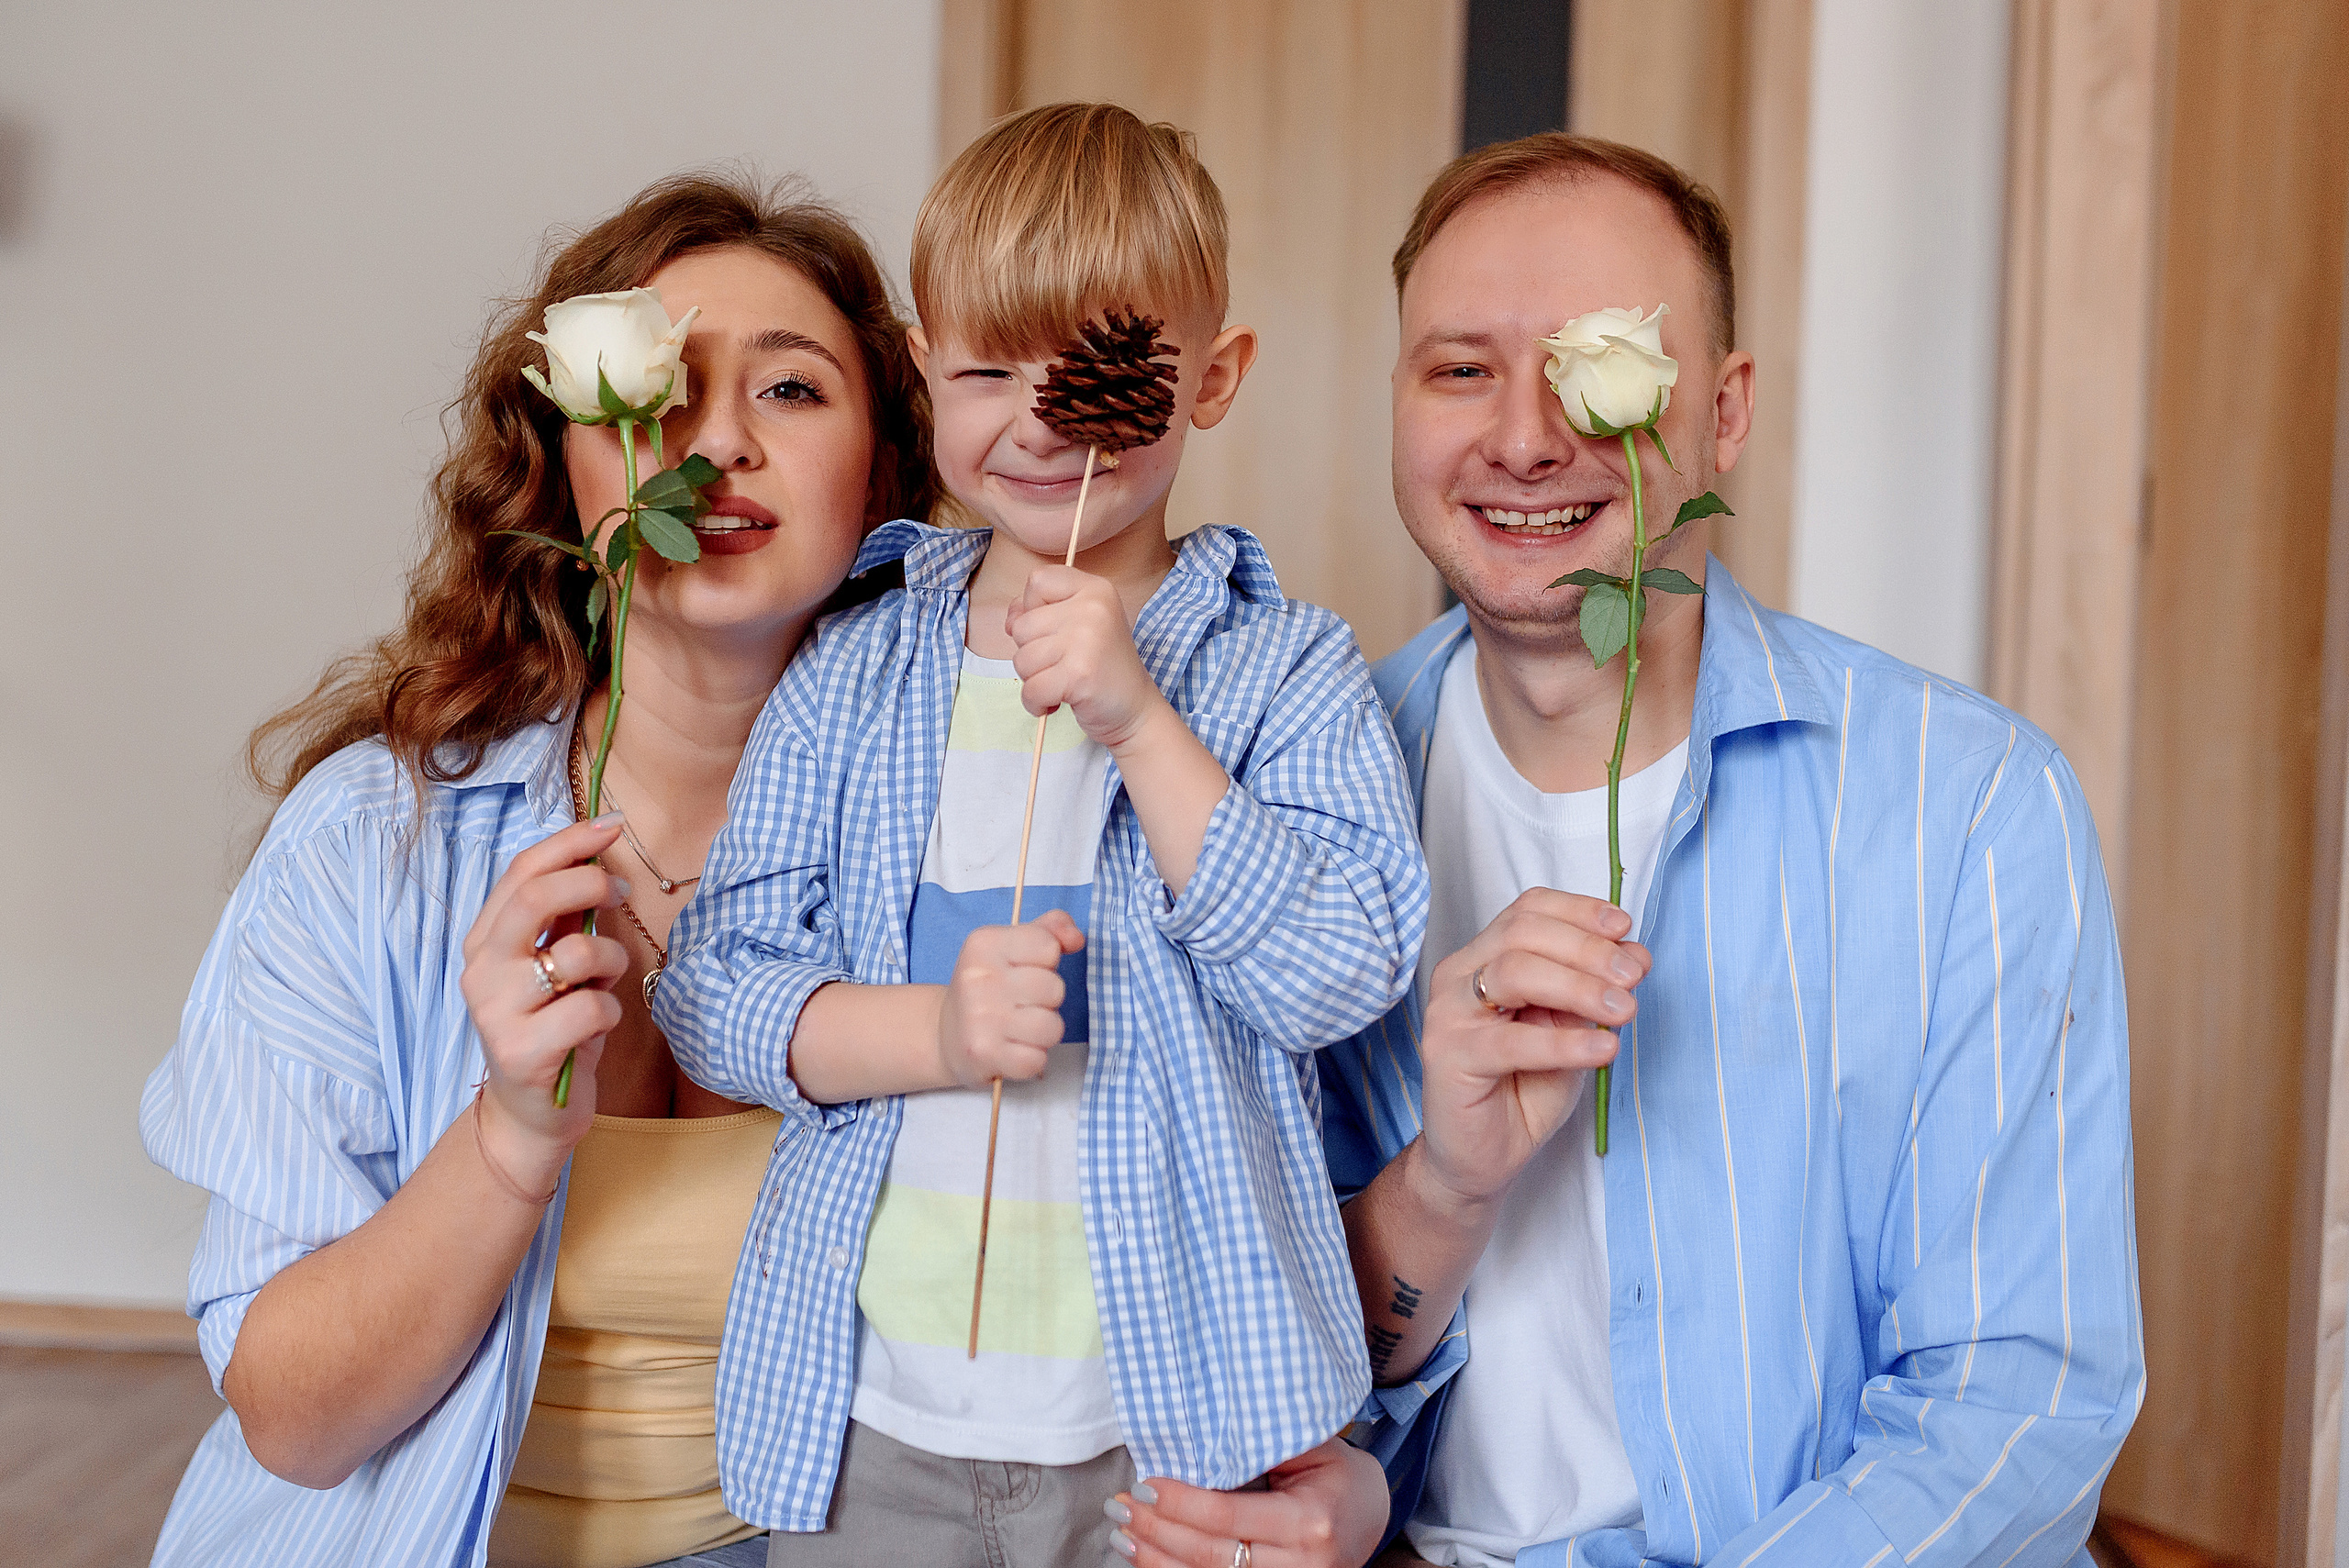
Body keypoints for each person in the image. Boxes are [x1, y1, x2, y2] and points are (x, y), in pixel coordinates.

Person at [1123, 133, 2142, 1568]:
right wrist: (1442, 1188)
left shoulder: (1973, 809)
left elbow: (2022, 1398)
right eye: (1461, 369)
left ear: (1724, 414)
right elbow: (1250, 1346)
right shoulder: (1261, 815)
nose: (1528, 439)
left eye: (1603, 361)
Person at [649, 104, 1419, 1568]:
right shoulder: (856, 671)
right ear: (930, 375)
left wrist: (1142, 723)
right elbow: (710, 984)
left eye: (1105, 372)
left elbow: (1339, 969)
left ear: (1216, 379)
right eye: (992, 369)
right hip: (875, 1414)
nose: (1044, 418)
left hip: (1170, 1420)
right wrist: (933, 1031)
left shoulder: (1282, 669)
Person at [139, 172, 936, 1568]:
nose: (716, 444)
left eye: (793, 390)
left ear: (879, 463)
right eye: (655, 389)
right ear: (568, 463)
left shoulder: (983, 833)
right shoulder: (364, 843)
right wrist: (509, 1130)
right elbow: (294, 1421)